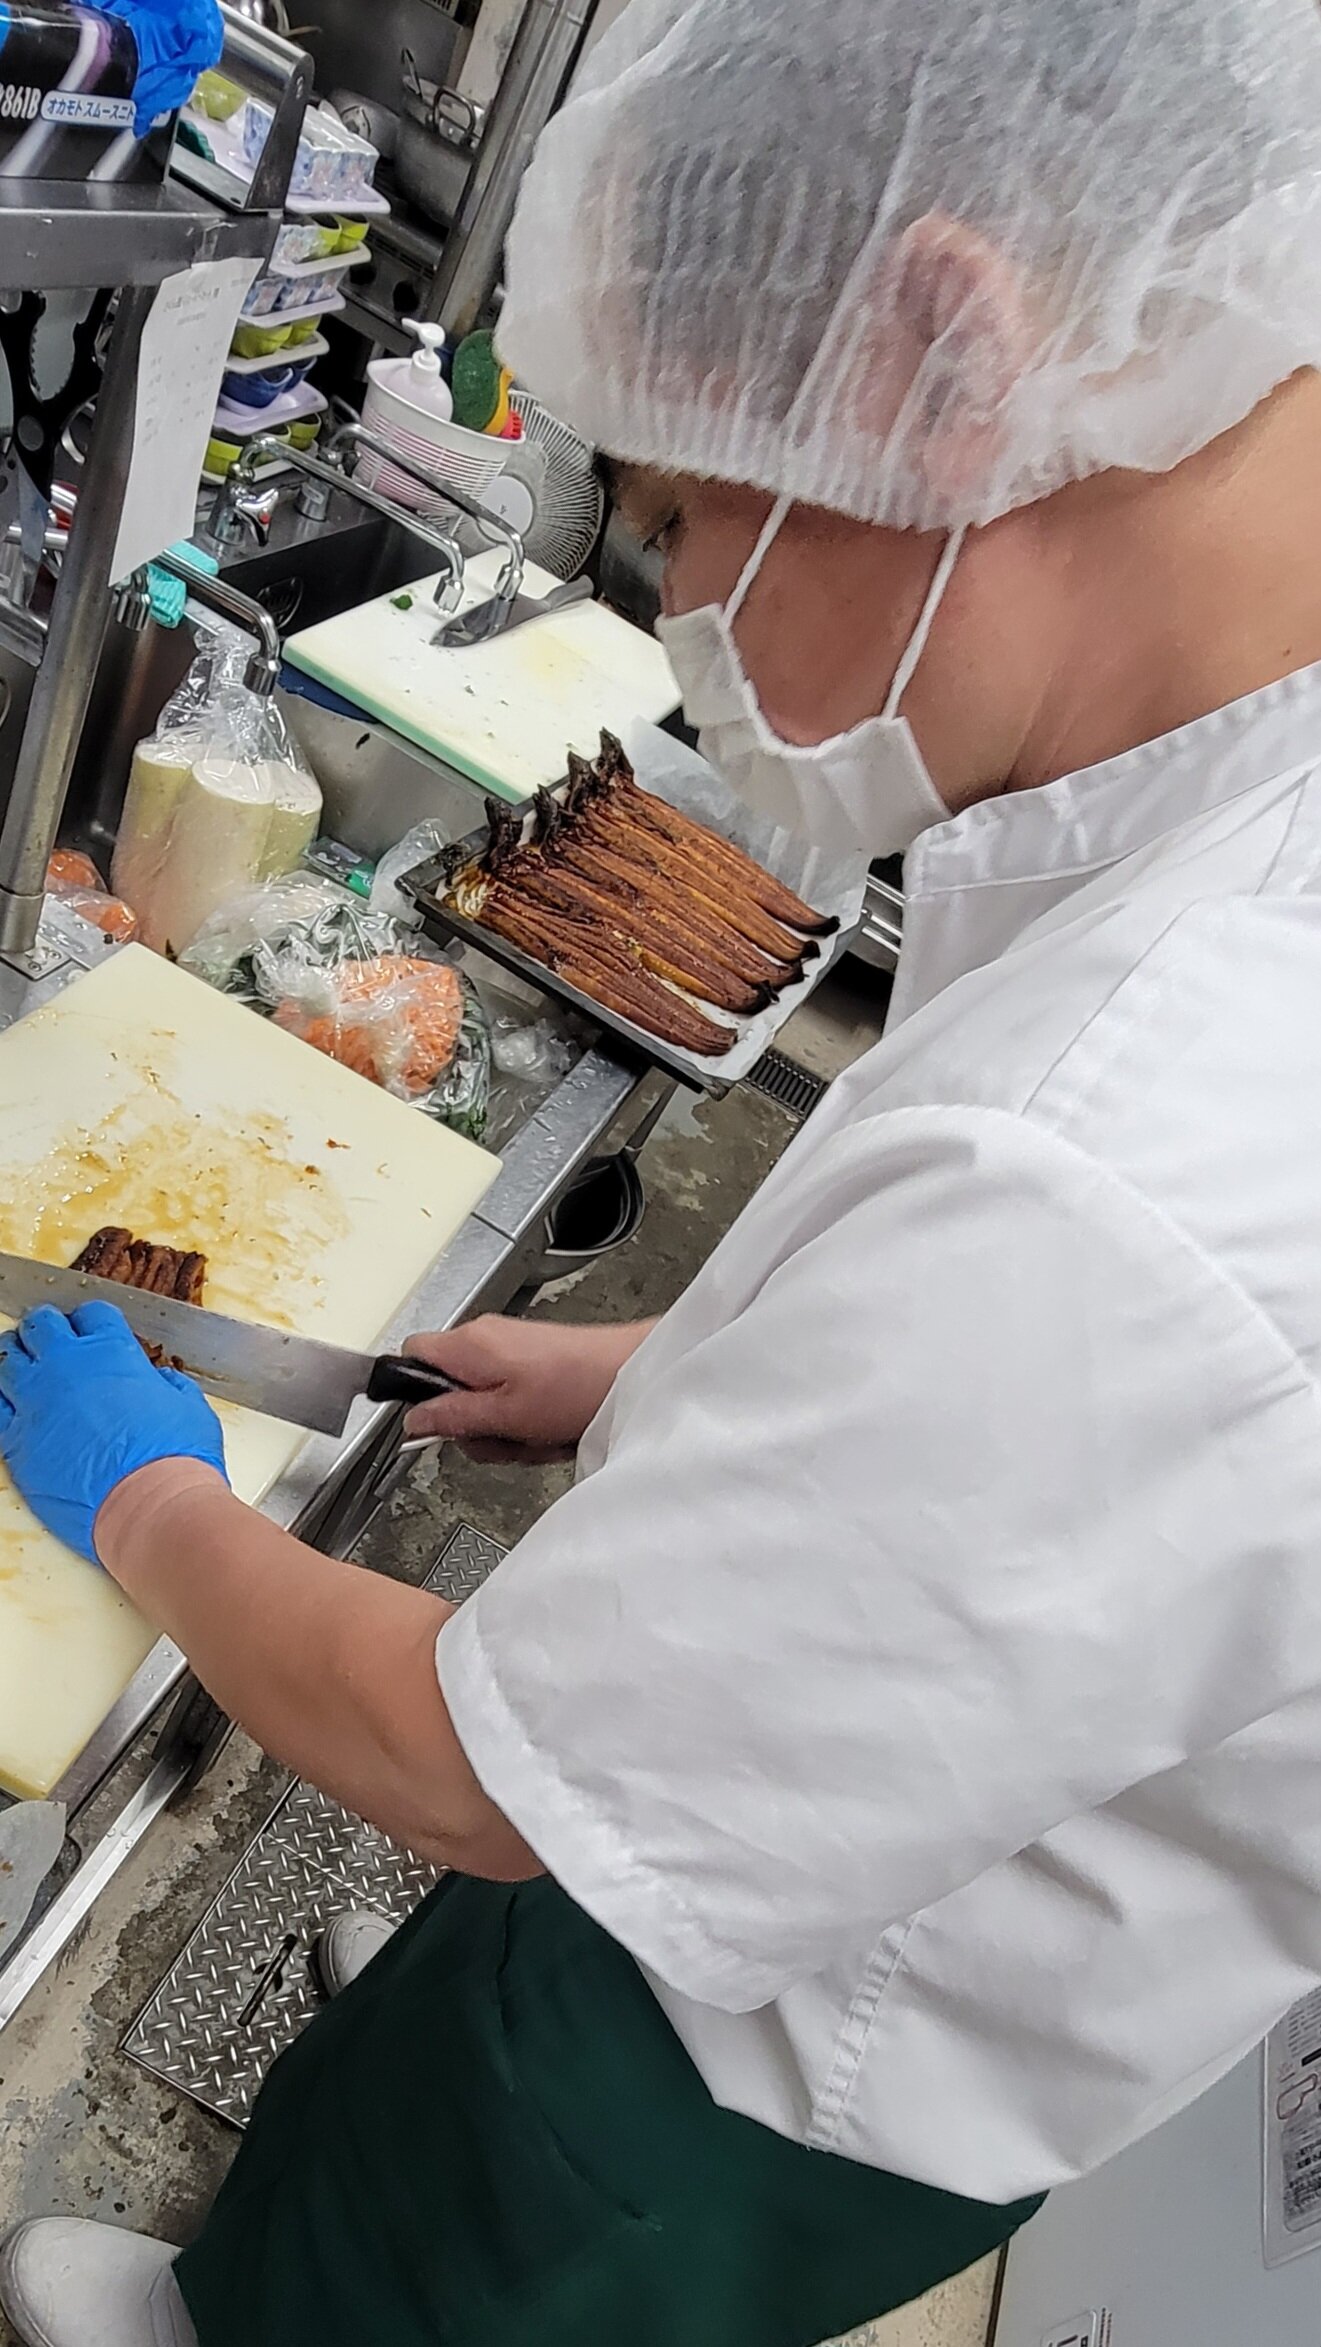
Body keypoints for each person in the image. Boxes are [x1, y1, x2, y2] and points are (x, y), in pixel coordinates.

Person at [7, 0, 1321, 2338]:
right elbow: (1008, 1423)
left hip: (748, 2094)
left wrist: (154, 1504)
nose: (688, 617)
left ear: (943, 355)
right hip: (761, 1840)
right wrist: (652, 1376)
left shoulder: (1140, 1159)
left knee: (446, 2250)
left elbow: (462, 1768)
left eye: (686, 519)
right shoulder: (1207, 805)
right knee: (389, 2109)